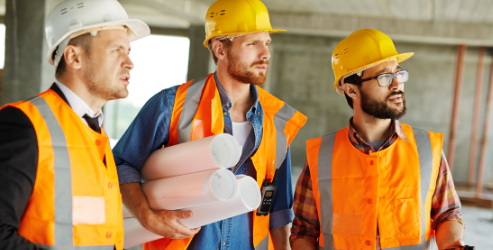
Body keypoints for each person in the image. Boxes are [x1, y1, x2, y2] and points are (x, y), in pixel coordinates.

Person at [112, 0, 307, 249]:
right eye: (253, 43)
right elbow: (121, 164)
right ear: (220, 50)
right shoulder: (172, 105)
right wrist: (147, 217)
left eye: (266, 42)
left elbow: (279, 210)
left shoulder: (277, 119)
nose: (265, 53)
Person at [290, 29, 467, 250]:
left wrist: (453, 245)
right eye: (384, 77)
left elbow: (448, 215)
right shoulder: (320, 157)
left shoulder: (427, 150)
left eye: (399, 74)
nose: (397, 85)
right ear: (351, 90)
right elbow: (304, 232)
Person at [0, 0, 149, 249]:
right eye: (116, 50)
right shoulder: (25, 125)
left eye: (128, 52)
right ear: (74, 57)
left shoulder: (94, 134)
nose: (129, 63)